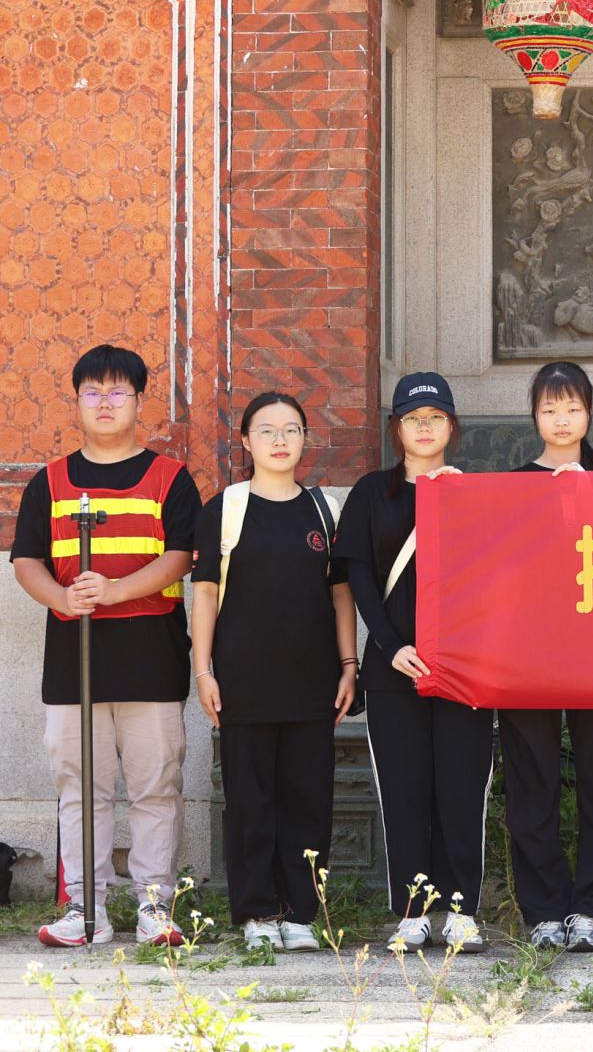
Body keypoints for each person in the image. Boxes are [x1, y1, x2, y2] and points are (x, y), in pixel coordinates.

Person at [13, 345, 200, 947]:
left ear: (139, 401)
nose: (105, 403)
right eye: (92, 392)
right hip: (75, 662)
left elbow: (181, 555)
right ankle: (83, 906)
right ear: (77, 401)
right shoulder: (51, 481)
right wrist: (62, 598)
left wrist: (116, 589)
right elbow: (27, 560)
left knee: (154, 787)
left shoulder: (169, 477)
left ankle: (154, 905)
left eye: (118, 392)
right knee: (80, 789)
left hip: (151, 658)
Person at [190, 392, 354, 952]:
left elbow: (340, 594)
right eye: (266, 430)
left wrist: (348, 665)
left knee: (308, 800)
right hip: (244, 682)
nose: (280, 440)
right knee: (251, 802)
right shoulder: (226, 508)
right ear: (246, 441)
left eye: (291, 429)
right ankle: (258, 912)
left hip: (312, 681)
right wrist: (203, 671)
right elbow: (204, 592)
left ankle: (301, 912)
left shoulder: (324, 509)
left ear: (305, 439)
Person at [334, 372, 491, 954]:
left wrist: (458, 502)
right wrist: (389, 644)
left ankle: (461, 911)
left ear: (452, 426)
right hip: (392, 670)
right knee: (403, 792)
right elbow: (357, 577)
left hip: (464, 673)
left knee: (461, 790)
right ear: (396, 429)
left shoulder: (473, 493)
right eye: (412, 419)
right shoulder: (372, 493)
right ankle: (412, 911)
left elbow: (493, 579)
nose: (424, 429)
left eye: (435, 418)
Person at [499, 363, 593, 954]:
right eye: (550, 409)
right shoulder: (512, 486)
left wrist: (588, 496)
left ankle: (591, 909)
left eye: (572, 408)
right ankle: (545, 909)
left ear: (589, 414)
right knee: (532, 779)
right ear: (534, 416)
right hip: (528, 654)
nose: (561, 420)